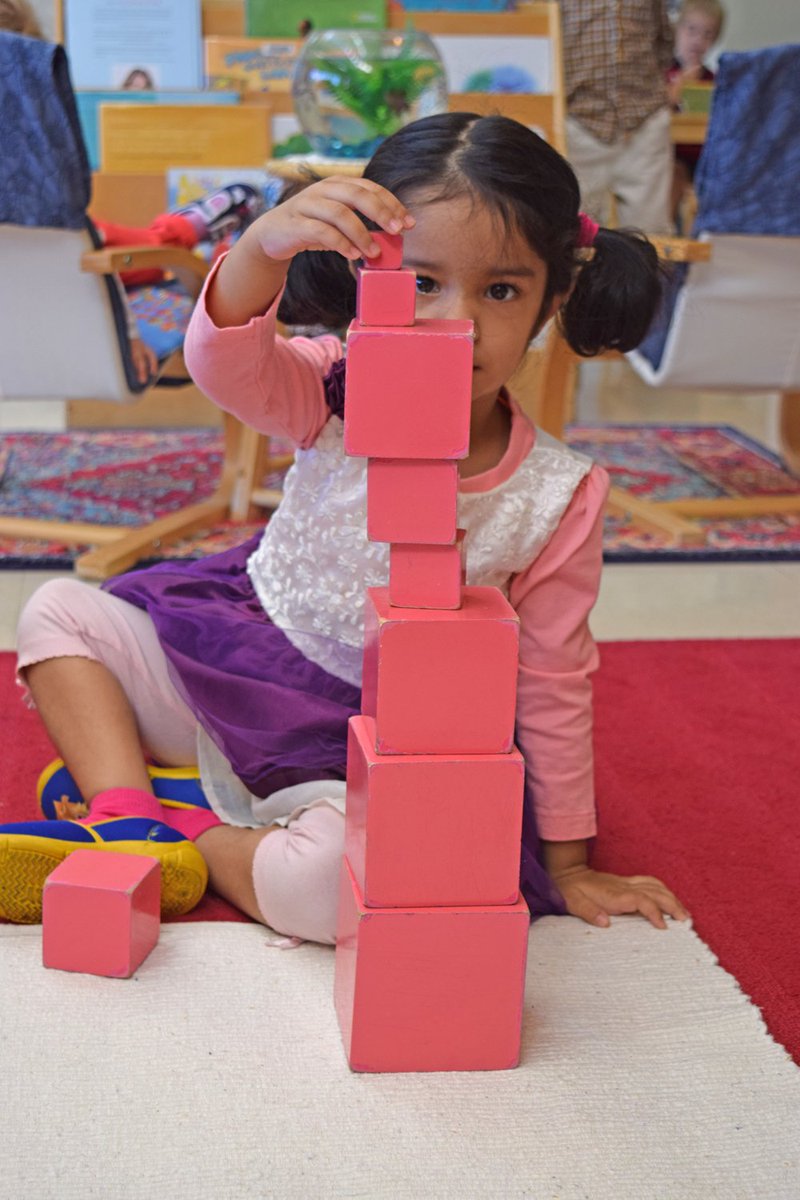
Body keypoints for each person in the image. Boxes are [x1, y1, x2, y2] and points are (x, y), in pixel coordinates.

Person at [1, 113, 690, 941]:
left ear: (551, 300)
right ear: (370, 277)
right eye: (424, 283)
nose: (455, 321)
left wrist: (570, 863)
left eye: (500, 290)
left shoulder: (560, 492)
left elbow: (551, 679)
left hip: (371, 739)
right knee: (55, 611)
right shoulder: (331, 384)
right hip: (228, 655)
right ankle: (124, 814)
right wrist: (260, 248)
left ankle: (190, 836)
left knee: (345, 888)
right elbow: (223, 365)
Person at [560, 0, 675, 232]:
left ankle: (645, 267)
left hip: (643, 120)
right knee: (575, 228)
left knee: (650, 229)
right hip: (579, 121)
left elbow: (664, 40)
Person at [666, 0, 725, 226]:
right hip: (671, 158)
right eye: (691, 30)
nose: (698, 41)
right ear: (677, 29)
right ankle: (668, 239)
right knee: (673, 175)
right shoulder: (665, 74)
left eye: (707, 34)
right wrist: (678, 88)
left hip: (705, 160)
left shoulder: (715, 81)